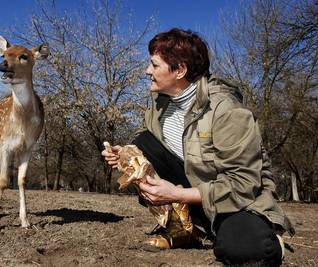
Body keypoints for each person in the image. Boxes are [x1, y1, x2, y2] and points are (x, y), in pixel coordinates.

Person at [102, 28, 294, 266]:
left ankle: (267, 236)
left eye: (154, 65)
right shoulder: (158, 104)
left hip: (238, 201)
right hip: (197, 193)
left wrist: (177, 194)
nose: (147, 71)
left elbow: (243, 184)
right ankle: (185, 228)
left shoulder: (226, 110)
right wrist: (126, 153)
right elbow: (148, 142)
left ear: (180, 70)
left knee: (246, 251)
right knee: (140, 145)